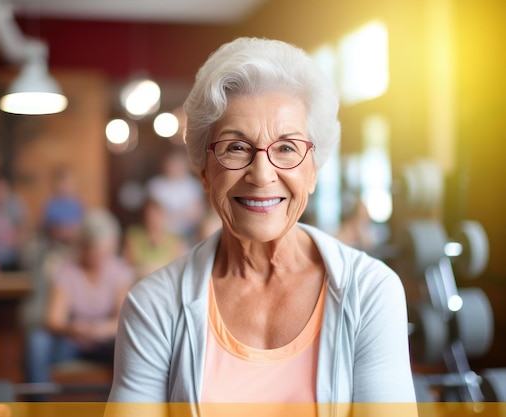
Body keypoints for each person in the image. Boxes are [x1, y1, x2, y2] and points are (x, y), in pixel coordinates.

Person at [107, 37, 416, 413]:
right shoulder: (153, 306)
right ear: (204, 173)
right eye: (236, 147)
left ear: (314, 170)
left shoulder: (371, 293)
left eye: (287, 148)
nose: (262, 174)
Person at [25, 208, 134, 386]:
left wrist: (100, 329)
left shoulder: (119, 271)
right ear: (83, 247)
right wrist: (76, 329)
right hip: (72, 340)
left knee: (131, 346)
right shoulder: (66, 271)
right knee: (37, 341)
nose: (100, 258)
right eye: (95, 252)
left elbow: (123, 320)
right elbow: (53, 319)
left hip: (107, 340)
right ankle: (39, 406)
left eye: (105, 253)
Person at [146, 148, 206, 245]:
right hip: (161, 233)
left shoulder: (193, 186)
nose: (175, 167)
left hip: (189, 233)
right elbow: (153, 214)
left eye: (178, 164)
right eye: (172, 164)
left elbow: (197, 214)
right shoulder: (155, 185)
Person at [122, 197, 188, 282]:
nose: (153, 218)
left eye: (156, 215)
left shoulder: (175, 240)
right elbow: (128, 265)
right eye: (150, 215)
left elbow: (179, 267)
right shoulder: (133, 236)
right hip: (139, 282)